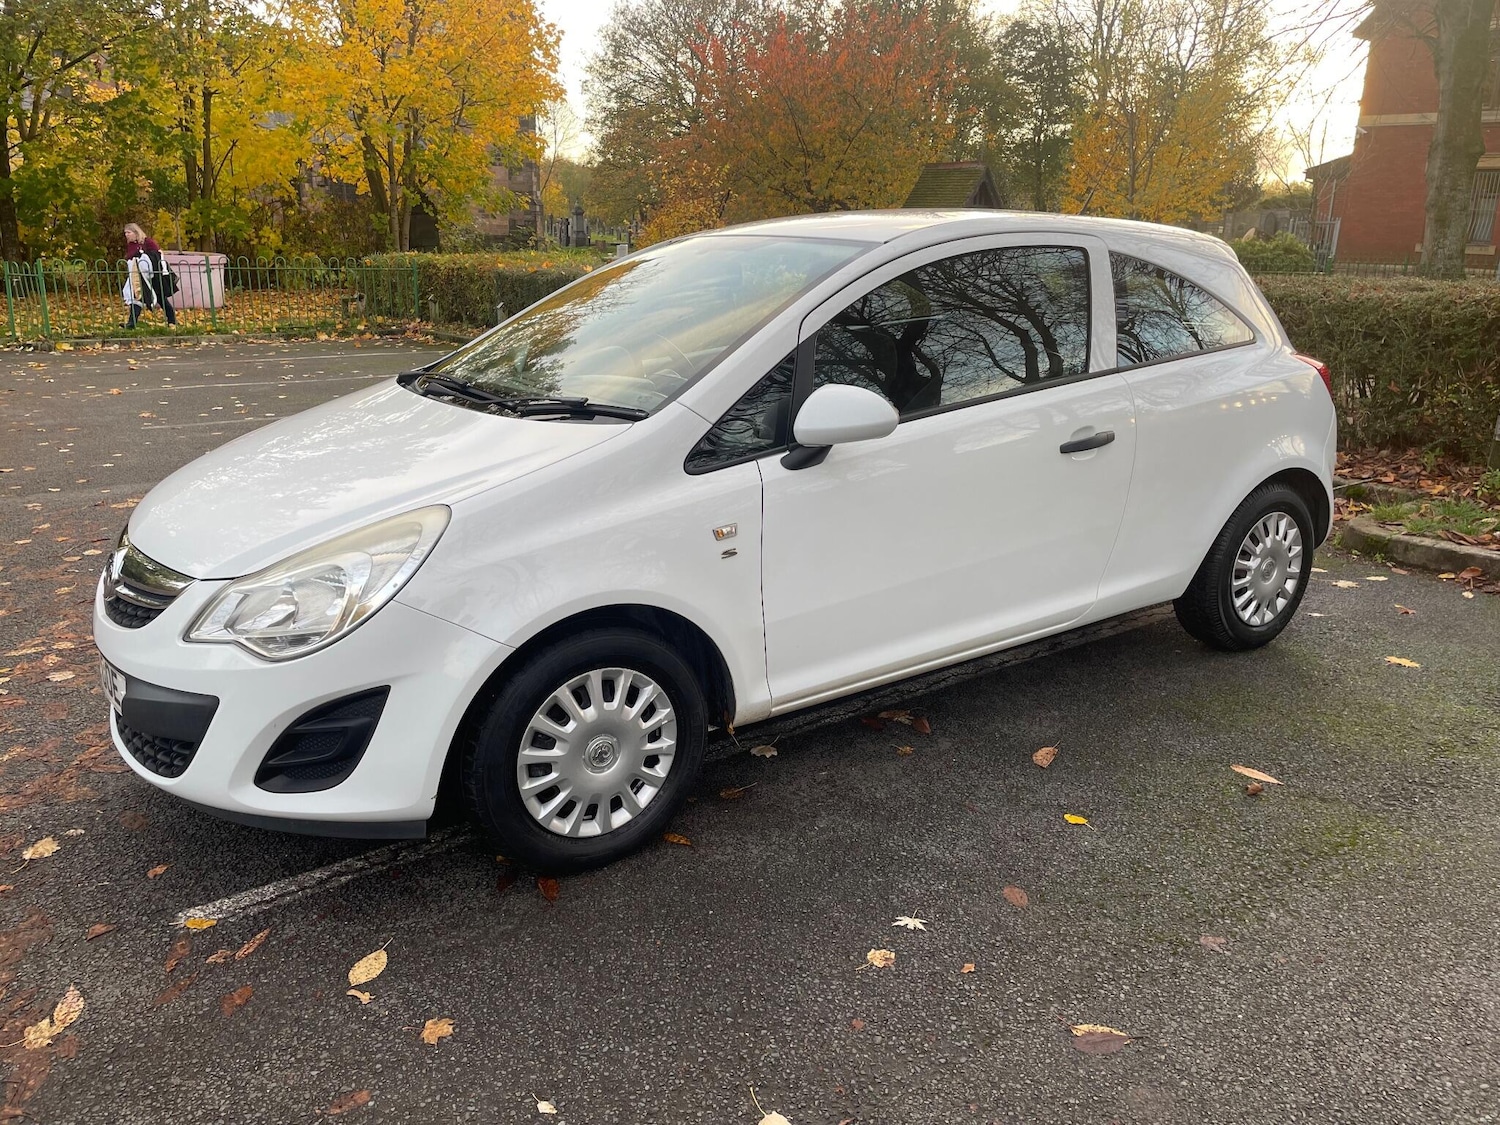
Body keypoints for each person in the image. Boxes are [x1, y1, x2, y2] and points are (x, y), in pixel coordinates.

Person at [122, 223, 177, 329]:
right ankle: (131, 323)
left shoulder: (148, 242)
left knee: (161, 298)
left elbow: (157, 255)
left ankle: (172, 321)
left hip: (153, 275)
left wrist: (143, 256)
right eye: (125, 233)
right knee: (137, 297)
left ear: (136, 232)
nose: (126, 235)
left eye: (128, 232)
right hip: (138, 276)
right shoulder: (131, 245)